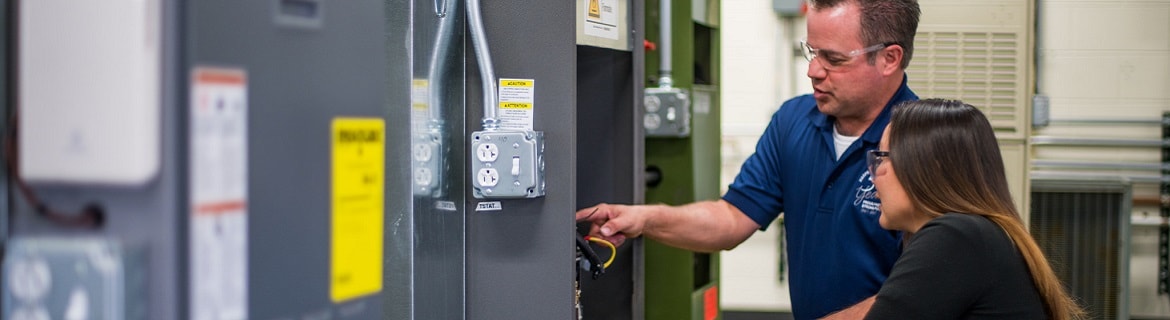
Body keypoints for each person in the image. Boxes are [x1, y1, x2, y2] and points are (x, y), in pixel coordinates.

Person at [576, 0, 920, 318]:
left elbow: (923, 288)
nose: (813, 71)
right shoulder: (794, 121)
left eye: (834, 59)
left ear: (889, 59)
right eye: (812, 52)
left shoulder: (928, 145)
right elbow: (731, 218)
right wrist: (641, 218)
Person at [861, 99, 1084, 319]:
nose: (874, 176)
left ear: (929, 167)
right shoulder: (979, 236)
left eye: (882, 158)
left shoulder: (955, 237)